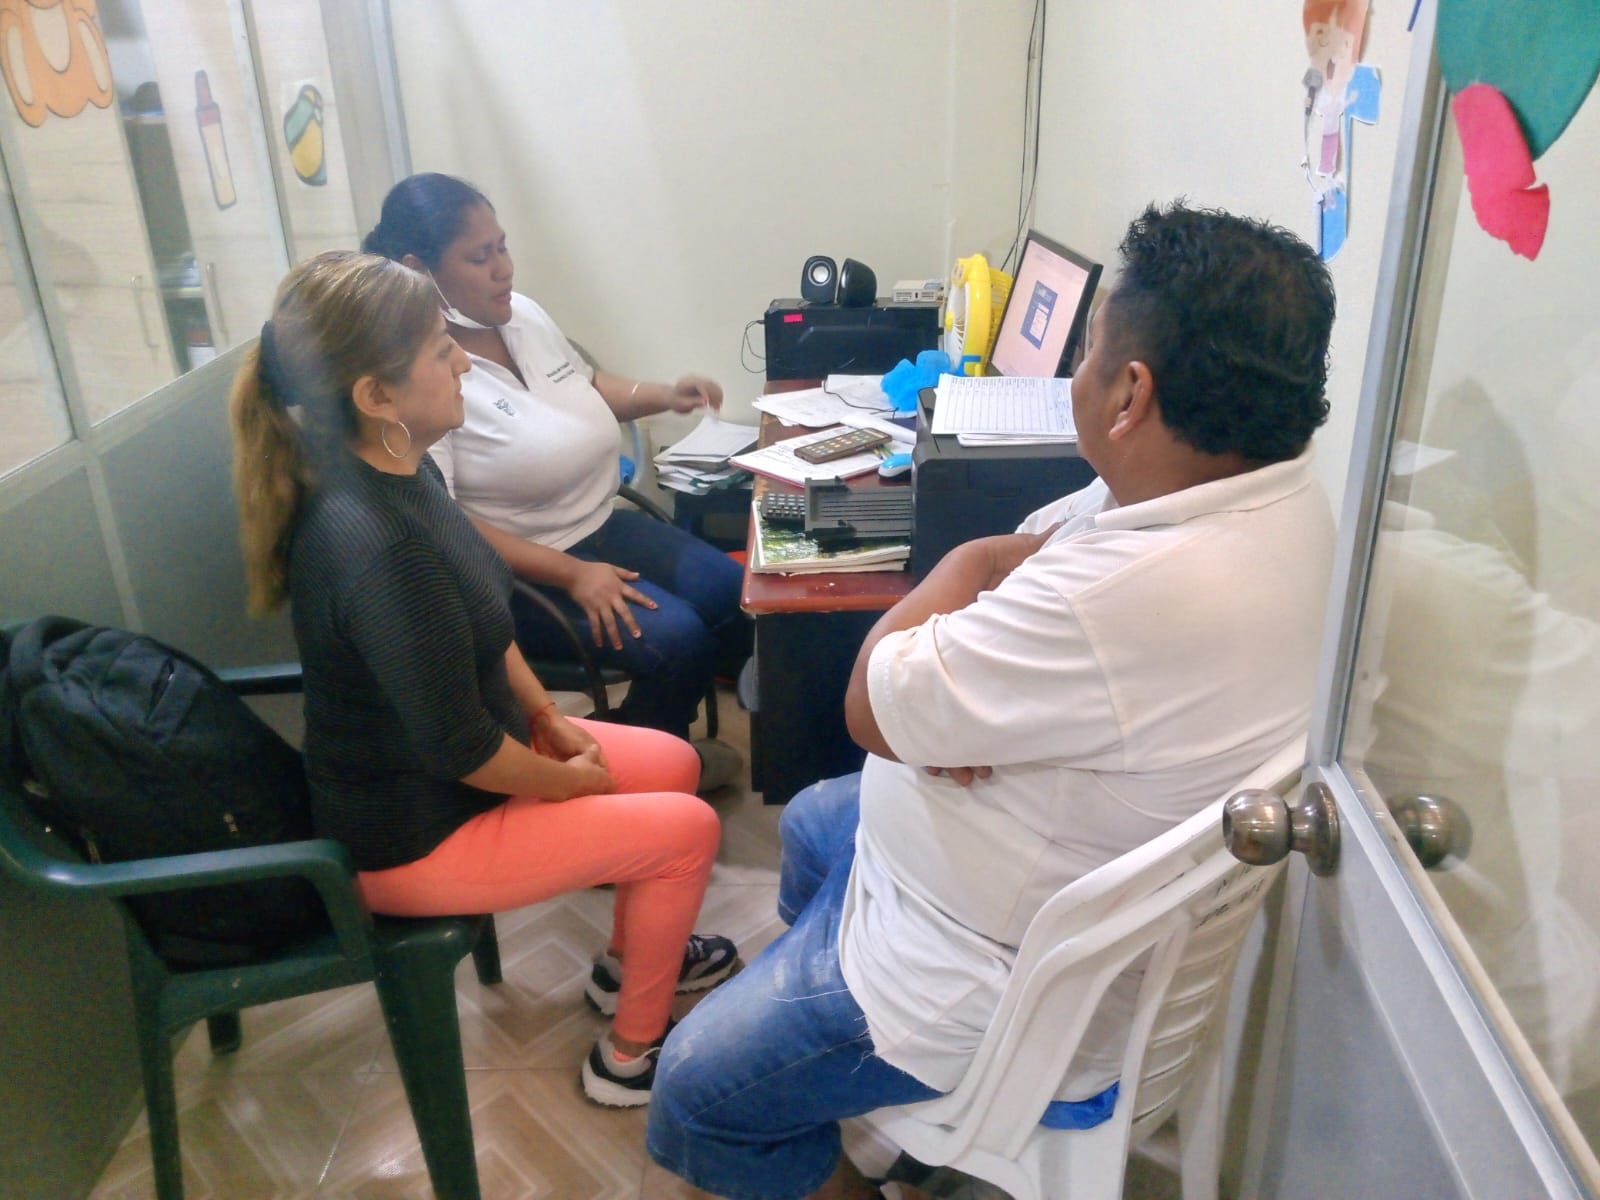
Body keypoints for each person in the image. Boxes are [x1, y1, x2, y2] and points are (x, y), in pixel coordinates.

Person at [645, 202, 1340, 1199]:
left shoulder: (1123, 595)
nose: (1075, 376)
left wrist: (968, 562)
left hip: (987, 971)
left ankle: (827, 1099)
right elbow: (1043, 562)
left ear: (1130, 394)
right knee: (811, 822)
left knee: (695, 1094)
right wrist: (967, 681)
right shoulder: (1271, 496)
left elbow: (868, 706)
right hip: (1008, 877)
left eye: (1088, 355)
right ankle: (823, 1063)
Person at [229, 250, 738, 1107]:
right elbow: (460, 749)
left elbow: (487, 616)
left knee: (673, 762)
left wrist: (547, 715)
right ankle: (627, 1060)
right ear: (376, 396)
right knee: (686, 832)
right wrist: (570, 782)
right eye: (440, 349)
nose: (464, 361)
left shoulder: (408, 469)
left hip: (470, 765)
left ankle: (626, 964)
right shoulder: (376, 547)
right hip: (415, 835)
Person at [361, 173, 751, 778]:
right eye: (479, 257)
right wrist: (572, 574)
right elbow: (443, 519)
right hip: (520, 568)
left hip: (599, 521)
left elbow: (584, 385)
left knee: (733, 595)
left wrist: (664, 395)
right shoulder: (423, 372)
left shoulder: (522, 315)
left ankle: (657, 746)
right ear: (418, 269)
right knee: (678, 642)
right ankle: (629, 775)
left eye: (502, 247)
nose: (503, 269)